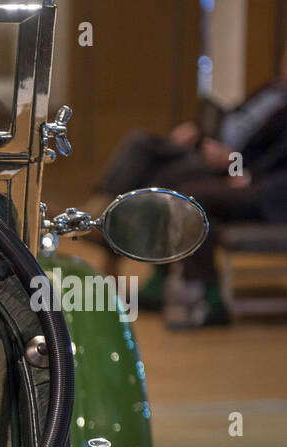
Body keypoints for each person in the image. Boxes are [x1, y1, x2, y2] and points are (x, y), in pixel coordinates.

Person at [95, 44, 287, 328]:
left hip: (254, 180)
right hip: (217, 152)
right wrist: (199, 130)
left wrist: (243, 170)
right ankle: (106, 212)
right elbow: (232, 118)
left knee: (184, 192)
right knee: (143, 147)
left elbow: (275, 156)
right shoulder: (270, 90)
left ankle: (203, 296)